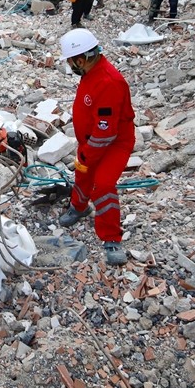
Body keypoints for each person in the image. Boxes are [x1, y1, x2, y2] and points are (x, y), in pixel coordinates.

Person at [57, 28, 135, 267]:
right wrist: (85, 153)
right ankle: (78, 206)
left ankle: (111, 237)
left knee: (103, 184)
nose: (70, 66)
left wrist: (87, 154)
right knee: (82, 174)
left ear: (81, 59)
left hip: (113, 144)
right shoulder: (91, 72)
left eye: (71, 61)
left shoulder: (109, 82)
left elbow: (107, 131)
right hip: (91, 141)